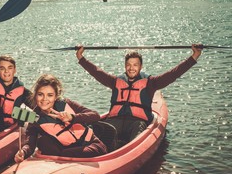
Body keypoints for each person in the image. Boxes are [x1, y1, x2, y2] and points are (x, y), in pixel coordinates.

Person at [75, 44, 203, 148]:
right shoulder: (115, 81)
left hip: (137, 122)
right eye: (129, 65)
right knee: (98, 130)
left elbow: (173, 74)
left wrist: (194, 57)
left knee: (135, 136)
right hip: (116, 120)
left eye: (135, 65)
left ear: (141, 66)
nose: (131, 68)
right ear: (125, 66)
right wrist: (81, 58)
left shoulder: (151, 83)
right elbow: (96, 72)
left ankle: (122, 148)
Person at [14, 74, 108, 163]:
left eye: (50, 95)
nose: (44, 99)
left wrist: (72, 117)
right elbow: (30, 144)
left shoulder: (66, 103)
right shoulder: (34, 118)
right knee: (43, 142)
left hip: (92, 145)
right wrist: (23, 152)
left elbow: (95, 115)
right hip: (69, 150)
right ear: (35, 95)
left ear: (55, 97)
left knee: (65, 153)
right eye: (40, 94)